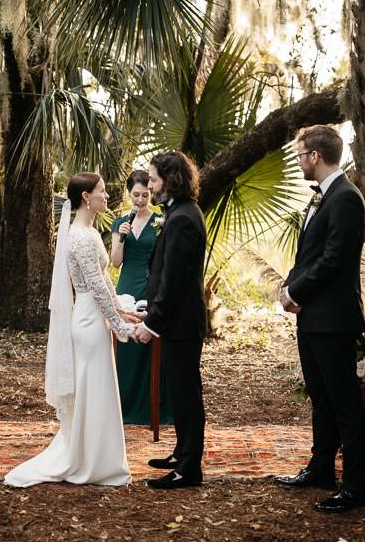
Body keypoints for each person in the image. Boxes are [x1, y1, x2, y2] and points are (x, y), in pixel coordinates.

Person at [5, 172, 144, 488]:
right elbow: (94, 286)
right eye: (102, 191)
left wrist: (121, 311)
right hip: (87, 319)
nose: (106, 196)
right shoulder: (80, 237)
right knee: (93, 390)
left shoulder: (89, 232)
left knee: (99, 388)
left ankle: (100, 458)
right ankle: (90, 462)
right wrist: (118, 325)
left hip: (95, 315)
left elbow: (105, 281)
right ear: (86, 197)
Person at [272, 125, 365, 514]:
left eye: (299, 155)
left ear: (315, 155)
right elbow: (309, 257)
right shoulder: (324, 199)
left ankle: (354, 486)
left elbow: (334, 261)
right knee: (321, 397)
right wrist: (289, 285)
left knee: (344, 401)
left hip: (333, 318)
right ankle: (320, 469)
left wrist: (297, 293)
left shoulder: (346, 199)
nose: (299, 162)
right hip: (314, 316)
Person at [125, 151, 211, 489]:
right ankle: (182, 452)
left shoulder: (182, 218)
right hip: (177, 320)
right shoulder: (178, 212)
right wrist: (150, 303)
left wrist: (152, 322)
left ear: (171, 179)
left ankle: (189, 469)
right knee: (180, 393)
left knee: (187, 395)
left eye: (155, 179)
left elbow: (174, 279)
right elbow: (164, 272)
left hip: (182, 323)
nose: (150, 184)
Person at [109, 169, 174, 426]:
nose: (140, 200)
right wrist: (122, 238)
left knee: (151, 346)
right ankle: (124, 407)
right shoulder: (119, 223)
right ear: (129, 194)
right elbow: (115, 262)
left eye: (145, 195)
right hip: (127, 285)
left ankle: (152, 408)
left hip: (151, 286)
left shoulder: (161, 220)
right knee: (126, 345)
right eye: (135, 195)